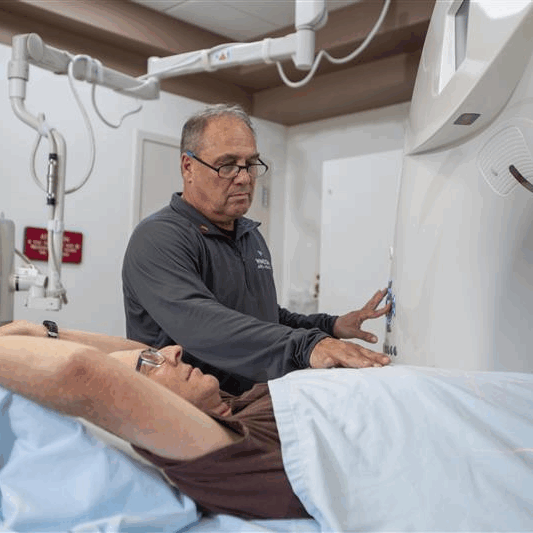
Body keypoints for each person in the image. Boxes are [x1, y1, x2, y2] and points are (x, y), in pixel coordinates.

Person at [122, 103, 390, 394]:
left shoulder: (249, 235)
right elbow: (202, 325)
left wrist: (331, 326)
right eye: (227, 165)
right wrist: (307, 346)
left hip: (250, 403)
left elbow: (266, 317)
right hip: (185, 410)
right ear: (188, 167)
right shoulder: (159, 238)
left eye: (250, 164)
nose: (245, 178)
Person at [0, 319, 338, 519]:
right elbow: (82, 373)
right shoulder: (230, 456)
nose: (174, 350)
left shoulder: (234, 404)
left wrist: (41, 332)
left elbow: (134, 348)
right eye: (150, 364)